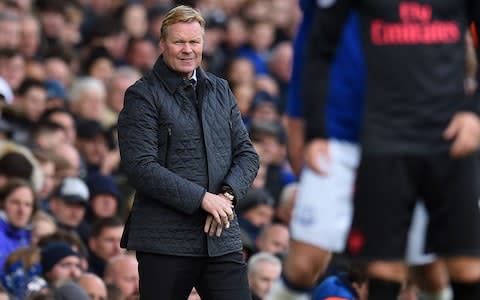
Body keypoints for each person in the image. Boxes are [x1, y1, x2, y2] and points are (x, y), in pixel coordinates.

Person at [301, 1, 480, 299]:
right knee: (384, 267)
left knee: (466, 265)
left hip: (450, 139)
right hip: (383, 141)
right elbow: (320, 48)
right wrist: (317, 130)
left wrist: (474, 111)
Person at [117, 5, 259, 300]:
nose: (187, 50)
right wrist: (203, 200)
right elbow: (141, 167)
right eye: (178, 41)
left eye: (194, 42)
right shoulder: (142, 95)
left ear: (203, 44)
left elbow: (247, 154)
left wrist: (226, 196)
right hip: (165, 241)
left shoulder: (221, 89)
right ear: (162, 44)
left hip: (221, 237)